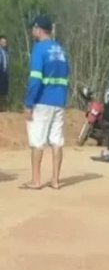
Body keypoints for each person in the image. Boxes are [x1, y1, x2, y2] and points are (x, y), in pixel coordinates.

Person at [21, 15, 69, 190]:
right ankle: (55, 180)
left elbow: (35, 79)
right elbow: (66, 75)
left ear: (38, 29)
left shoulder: (39, 49)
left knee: (37, 141)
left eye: (33, 29)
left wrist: (28, 103)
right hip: (59, 102)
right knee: (57, 141)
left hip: (42, 101)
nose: (32, 32)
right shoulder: (60, 50)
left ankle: (36, 180)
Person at [0, 35, 8, 110]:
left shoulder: (5, 52)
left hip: (4, 71)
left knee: (4, 89)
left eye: (5, 42)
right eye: (3, 42)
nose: (4, 43)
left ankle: (2, 107)